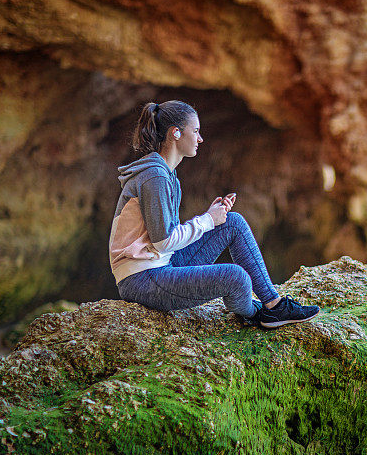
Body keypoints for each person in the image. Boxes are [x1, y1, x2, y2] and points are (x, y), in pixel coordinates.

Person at [108, 100, 319, 328]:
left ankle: (273, 305)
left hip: (162, 265)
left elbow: (166, 241)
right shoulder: (154, 176)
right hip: (141, 279)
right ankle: (256, 313)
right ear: (175, 133)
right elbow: (163, 241)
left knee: (233, 222)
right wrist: (207, 220)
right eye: (196, 131)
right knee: (236, 278)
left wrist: (212, 216)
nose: (200, 139)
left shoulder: (168, 176)